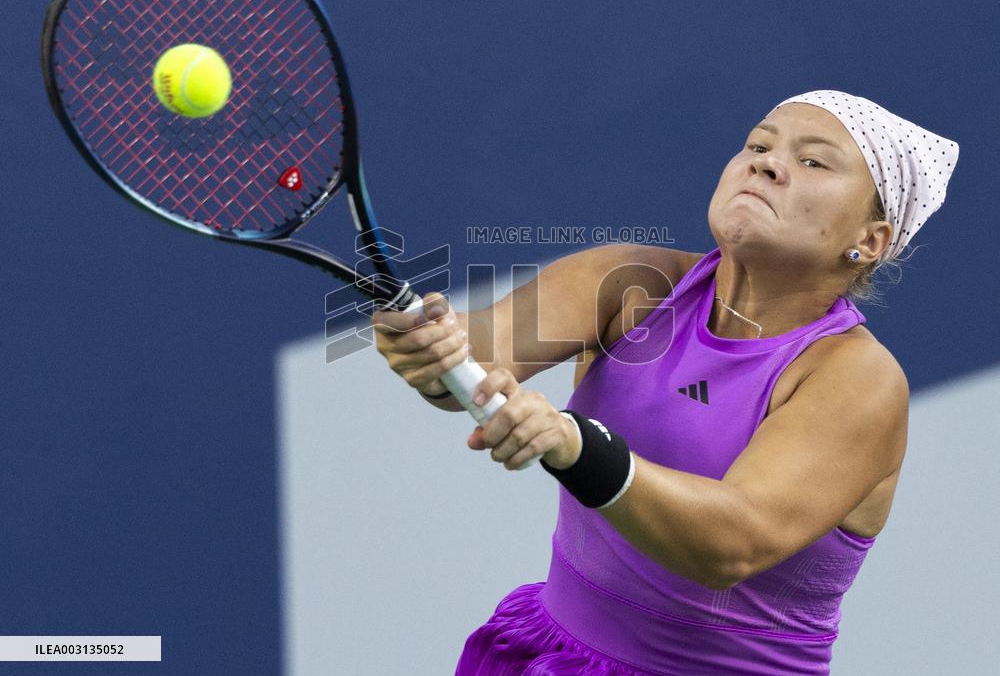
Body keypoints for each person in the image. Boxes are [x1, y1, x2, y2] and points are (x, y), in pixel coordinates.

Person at [372, 90, 959, 675]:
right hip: (550, 652)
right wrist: (433, 347)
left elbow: (732, 541)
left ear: (872, 239)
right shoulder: (629, 282)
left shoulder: (857, 379)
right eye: (758, 144)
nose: (766, 162)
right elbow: (477, 358)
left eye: (813, 161)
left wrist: (576, 446)